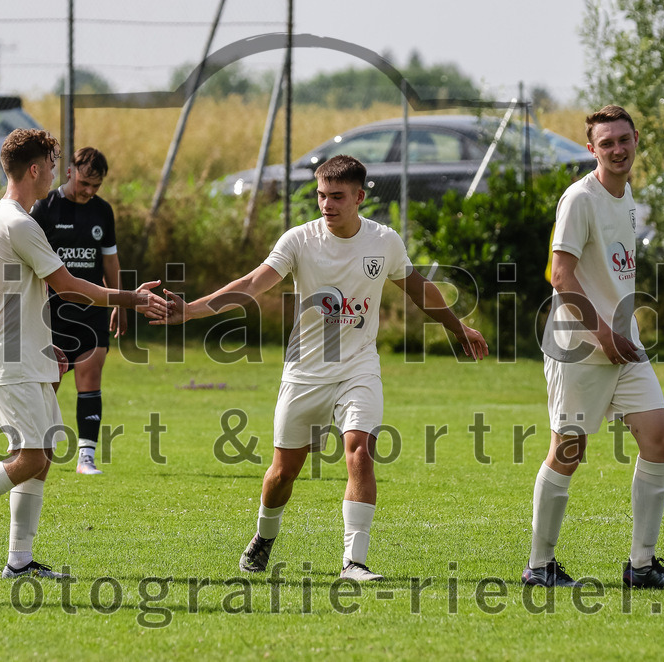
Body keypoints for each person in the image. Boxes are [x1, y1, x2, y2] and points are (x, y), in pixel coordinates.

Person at [156, 155, 488, 581]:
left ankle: (354, 562)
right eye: (320, 195)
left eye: (336, 197)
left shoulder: (384, 242)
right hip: (305, 373)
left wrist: (457, 327)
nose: (326, 204)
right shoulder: (299, 240)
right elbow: (253, 284)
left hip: (359, 368)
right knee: (283, 473)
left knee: (360, 452)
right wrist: (191, 311)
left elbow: (419, 288)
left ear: (359, 198)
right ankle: (264, 537)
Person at [0, 129, 167, 580]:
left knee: (42, 452)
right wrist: (133, 299)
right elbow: (68, 286)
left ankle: (19, 561)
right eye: (52, 164)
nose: (56, 172)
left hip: (23, 352)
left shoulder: (5, 216)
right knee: (31, 455)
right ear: (35, 169)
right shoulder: (19, 222)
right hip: (7, 356)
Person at [526, 105, 664, 590]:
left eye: (624, 140)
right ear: (591, 149)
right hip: (580, 346)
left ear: (636, 140)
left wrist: (621, 332)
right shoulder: (579, 199)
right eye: (607, 144)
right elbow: (560, 276)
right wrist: (603, 334)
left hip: (624, 342)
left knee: (658, 439)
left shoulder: (627, 197)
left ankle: (641, 566)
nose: (617, 150)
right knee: (568, 451)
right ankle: (539, 567)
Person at [31, 147, 123, 475]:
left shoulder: (102, 211)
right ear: (69, 171)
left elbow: (110, 260)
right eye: (84, 183)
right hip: (53, 312)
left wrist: (120, 303)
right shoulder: (44, 207)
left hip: (94, 307)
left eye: (95, 187)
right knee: (48, 382)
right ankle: (37, 450)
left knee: (91, 374)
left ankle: (86, 457)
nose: (88, 191)